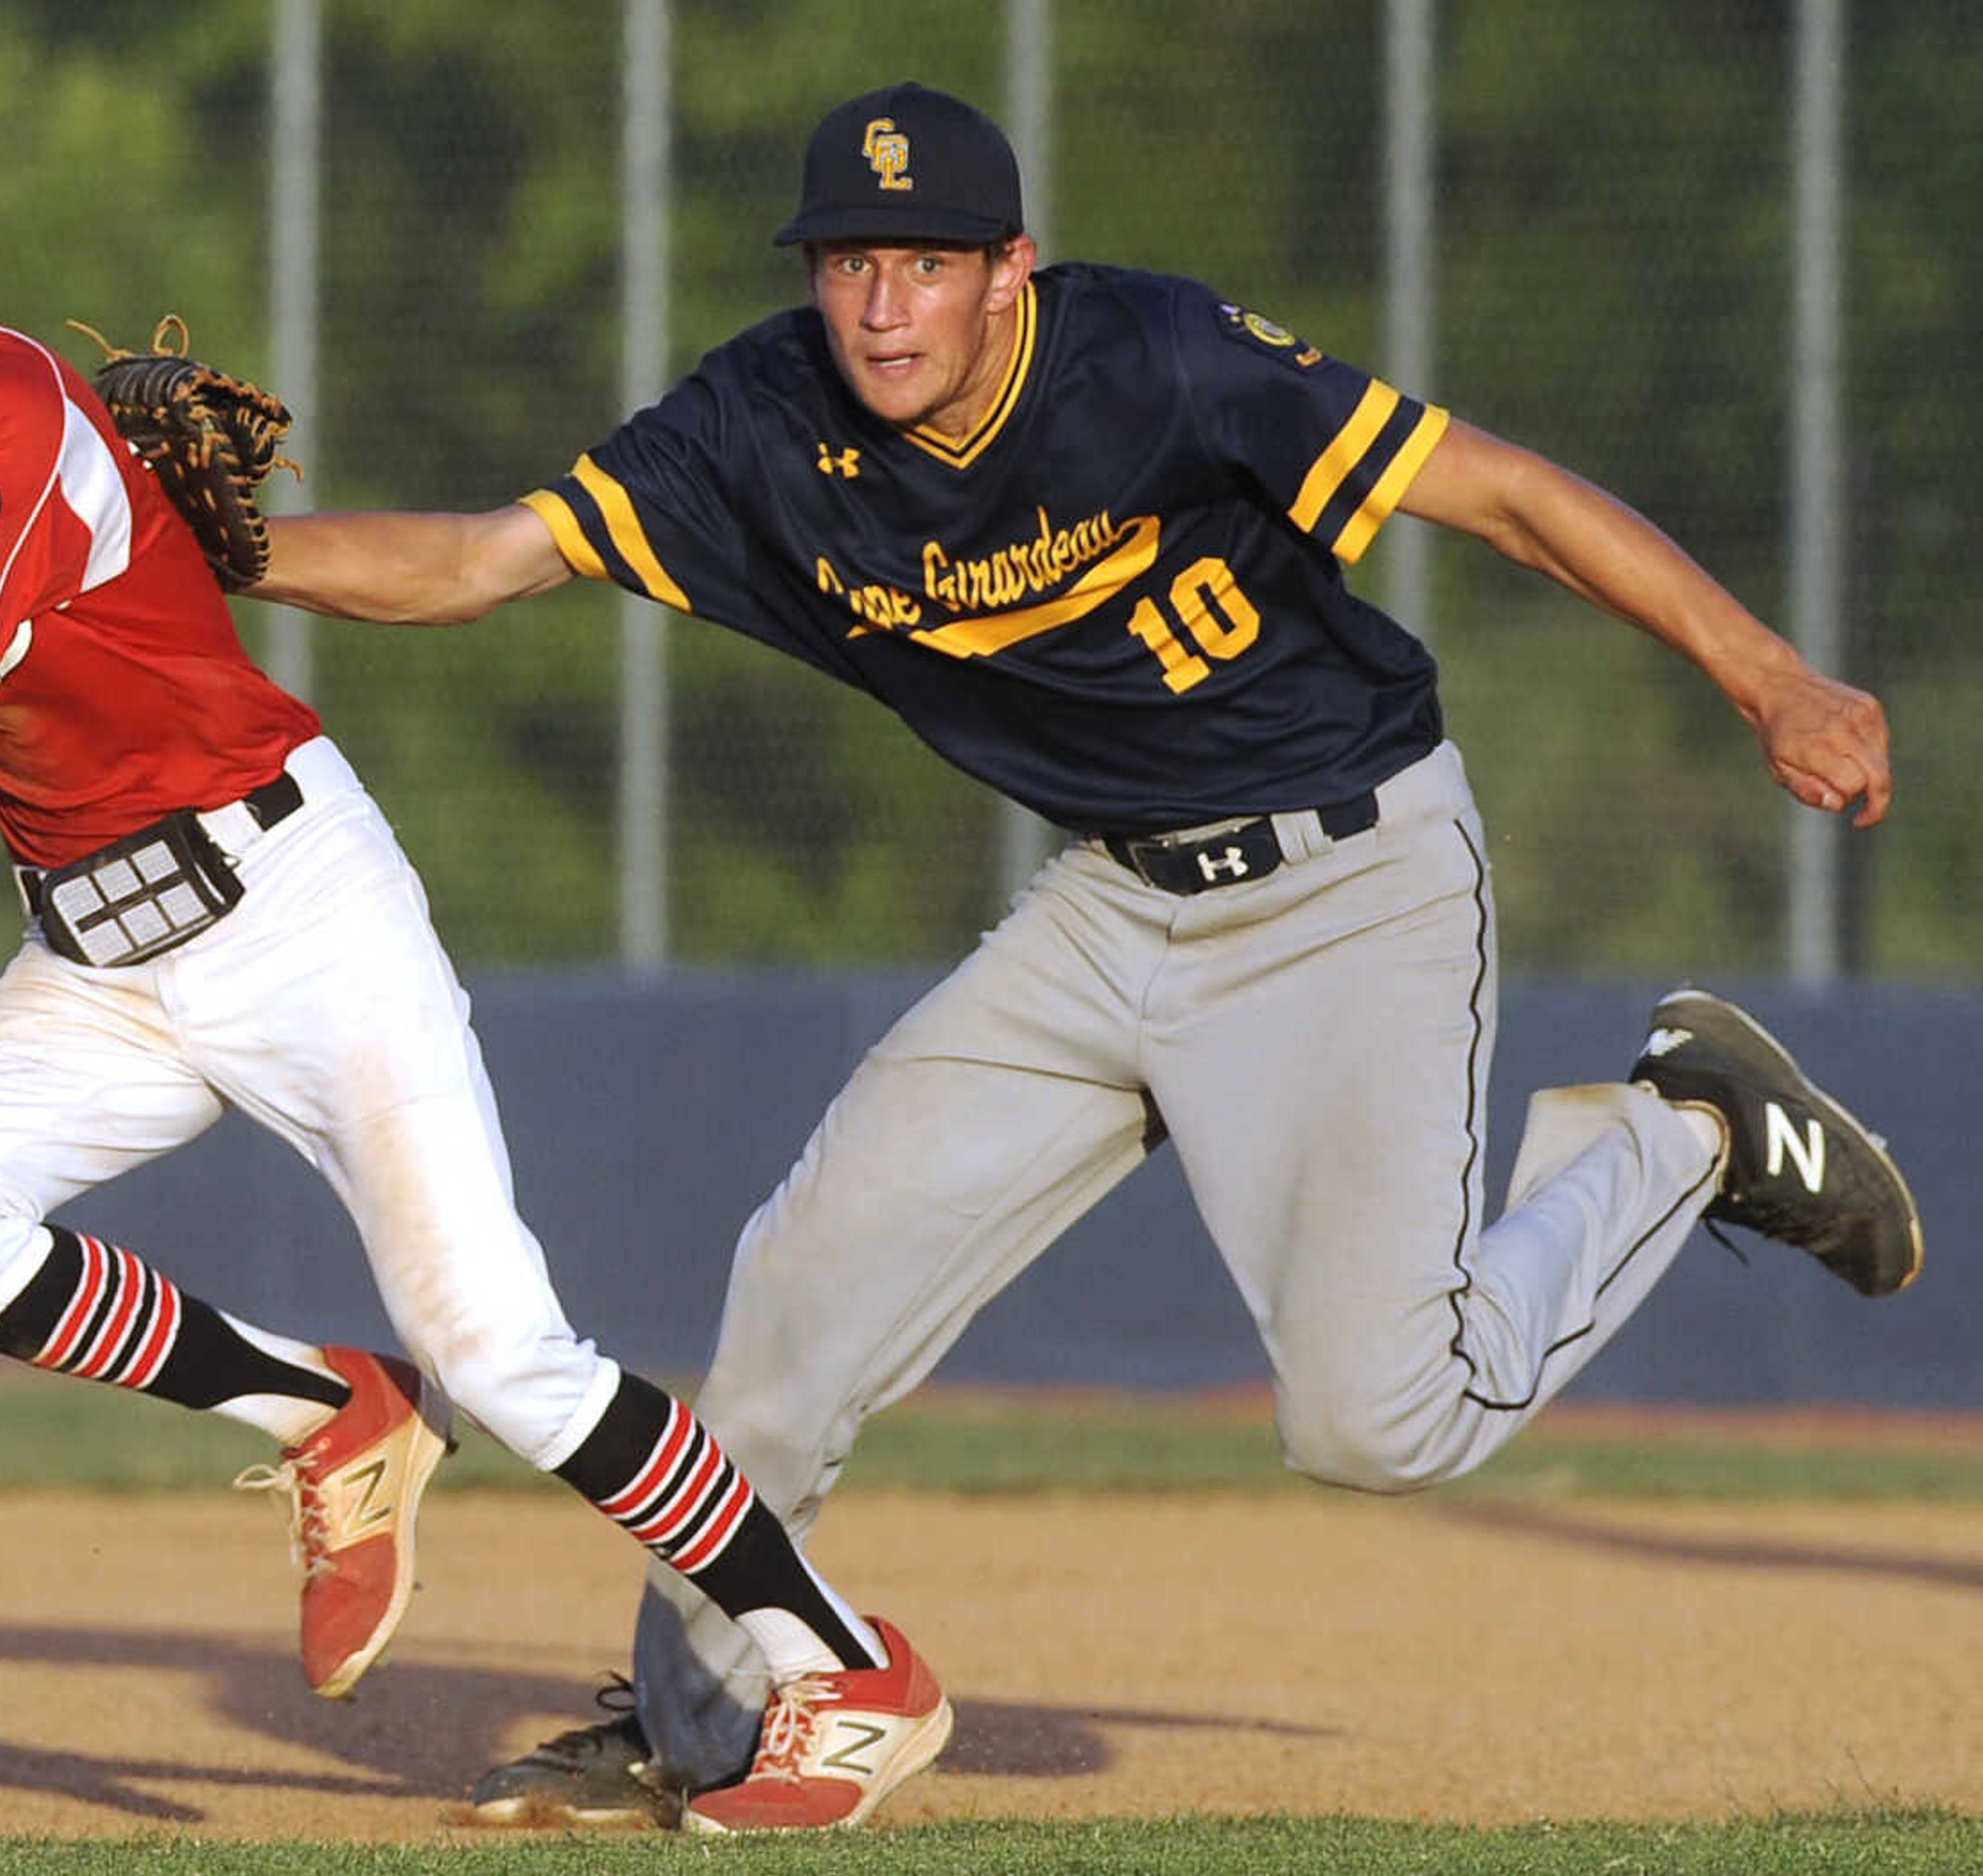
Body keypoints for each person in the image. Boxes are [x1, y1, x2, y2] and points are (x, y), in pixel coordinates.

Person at [247, 79, 1924, 1826]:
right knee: (801, 1295)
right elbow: (470, 561)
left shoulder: (1157, 359)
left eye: (926, 261)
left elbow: (1501, 495)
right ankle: (704, 1720)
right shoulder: (759, 420)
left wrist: (1770, 674)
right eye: (847, 262)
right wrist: (183, 544)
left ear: (1011, 271)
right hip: (1113, 906)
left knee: (1380, 1422)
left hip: (1349, 883)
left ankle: (1695, 1127)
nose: (881, 304)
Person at [0, 77, 948, 1833]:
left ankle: (852, 1670)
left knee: (503, 1352)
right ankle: (330, 1414)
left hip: (292, 908)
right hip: (100, 943)